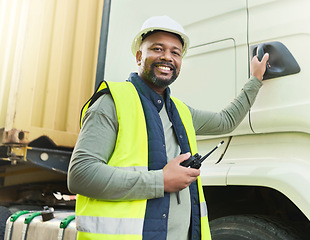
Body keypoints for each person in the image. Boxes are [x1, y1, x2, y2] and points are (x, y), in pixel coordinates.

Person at [67, 15, 269, 240]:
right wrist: (160, 181)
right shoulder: (112, 102)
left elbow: (226, 121)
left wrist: (255, 80)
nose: (167, 57)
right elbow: (80, 174)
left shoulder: (181, 111)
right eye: (157, 49)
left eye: (175, 52)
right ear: (138, 56)